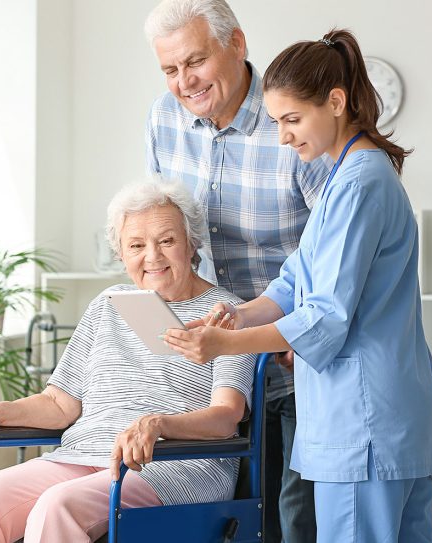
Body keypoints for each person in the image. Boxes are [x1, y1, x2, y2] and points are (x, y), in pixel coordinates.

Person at [163, 29, 432, 542]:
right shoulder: (346, 177)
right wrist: (236, 316)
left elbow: (324, 316)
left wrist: (226, 345)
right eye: (275, 122)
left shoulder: (359, 183)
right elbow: (293, 283)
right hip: (386, 417)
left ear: (335, 103)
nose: (285, 137)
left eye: (292, 120)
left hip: (364, 422)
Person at [0, 180, 255, 543]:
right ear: (121, 254)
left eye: (166, 241)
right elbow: (59, 404)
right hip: (83, 455)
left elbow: (226, 416)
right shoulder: (109, 303)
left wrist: (159, 425)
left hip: (175, 464)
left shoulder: (227, 314)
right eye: (136, 245)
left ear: (192, 243)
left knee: (57, 505)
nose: (152, 257)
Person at [143, 1, 330, 540]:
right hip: (211, 368)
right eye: (170, 69)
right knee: (226, 519)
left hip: (292, 355)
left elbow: (332, 242)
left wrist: (298, 327)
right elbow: (170, 228)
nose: (184, 82)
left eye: (195, 62)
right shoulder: (163, 118)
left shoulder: (290, 121)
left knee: (294, 520)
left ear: (238, 45)